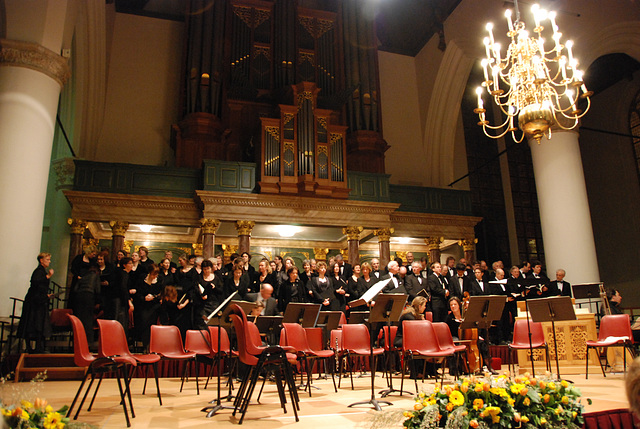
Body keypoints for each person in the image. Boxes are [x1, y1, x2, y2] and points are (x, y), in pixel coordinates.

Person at [18, 253, 54, 353]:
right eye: (47, 259)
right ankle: (31, 347)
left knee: (38, 324)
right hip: (34, 303)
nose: (49, 261)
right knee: (32, 323)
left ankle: (38, 347)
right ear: (41, 260)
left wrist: (46, 295)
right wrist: (48, 276)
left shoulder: (41, 271)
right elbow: (35, 282)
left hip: (39, 300)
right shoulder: (39, 271)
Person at [394, 296, 427, 379]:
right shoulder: (408, 316)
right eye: (424, 306)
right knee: (417, 344)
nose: (425, 307)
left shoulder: (414, 315)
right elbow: (415, 327)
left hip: (410, 339)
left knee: (421, 343)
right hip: (400, 339)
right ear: (419, 306)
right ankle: (416, 372)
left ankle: (422, 371)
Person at [131, 263, 162, 349]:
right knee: (144, 323)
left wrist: (153, 297)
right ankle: (144, 345)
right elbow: (137, 292)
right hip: (143, 305)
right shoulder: (142, 278)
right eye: (153, 274)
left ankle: (151, 345)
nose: (155, 276)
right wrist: (144, 298)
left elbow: (161, 294)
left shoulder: (160, 279)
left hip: (154, 305)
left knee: (152, 325)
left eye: (156, 274)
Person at [72, 262, 101, 344]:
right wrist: (98, 302)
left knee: (79, 319)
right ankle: (88, 342)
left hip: (79, 297)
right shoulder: (95, 276)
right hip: (89, 297)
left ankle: (77, 341)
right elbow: (97, 289)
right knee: (88, 319)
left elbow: (75, 289)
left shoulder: (83, 277)